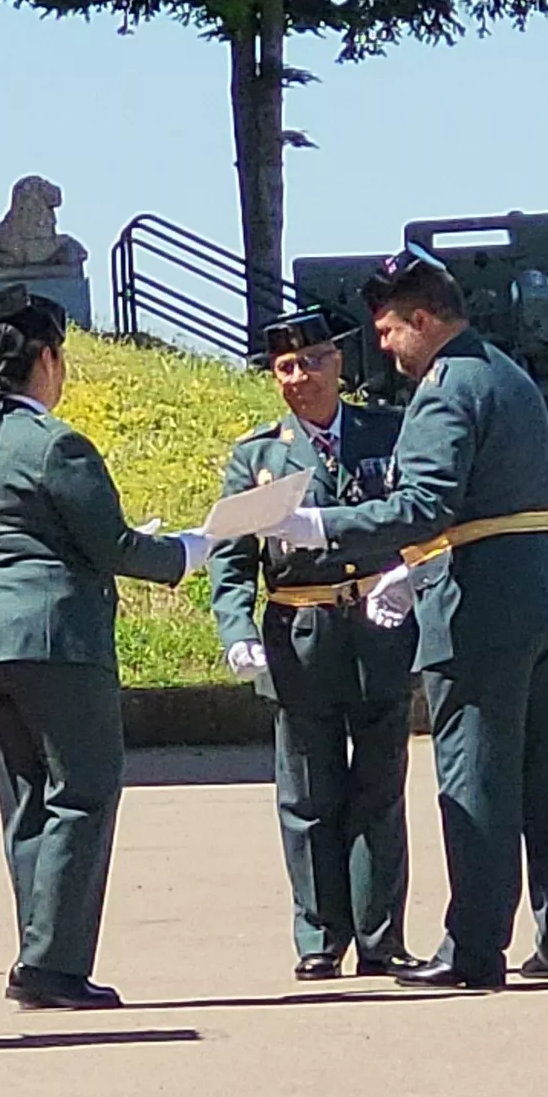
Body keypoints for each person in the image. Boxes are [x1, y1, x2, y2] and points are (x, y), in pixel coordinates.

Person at [260, 247, 548, 990]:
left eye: (388, 331)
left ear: (422, 321)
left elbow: (424, 505)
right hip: (545, 591)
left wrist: (321, 527)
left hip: (481, 604)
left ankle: (474, 947)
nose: (383, 346)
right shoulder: (503, 374)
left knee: (474, 777)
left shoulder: (443, 390)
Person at [0, 286, 207, 1009]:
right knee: (82, 791)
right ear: (50, 360)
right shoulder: (57, 442)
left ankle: (36, 948)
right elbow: (112, 543)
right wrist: (189, 550)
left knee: (24, 798)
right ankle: (54, 965)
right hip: (55, 633)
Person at [210, 308, 417, 981]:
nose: (301, 376)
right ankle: (321, 937)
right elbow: (232, 555)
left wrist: (408, 574)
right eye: (287, 367)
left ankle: (381, 936)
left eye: (315, 361)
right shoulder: (259, 455)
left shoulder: (388, 431)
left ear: (341, 364)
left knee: (379, 792)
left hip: (379, 628)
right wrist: (236, 628)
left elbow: (421, 514)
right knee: (307, 795)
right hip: (300, 635)